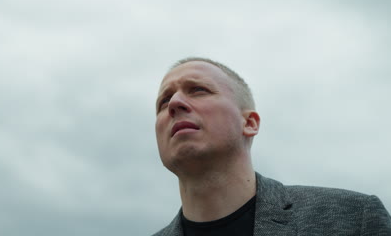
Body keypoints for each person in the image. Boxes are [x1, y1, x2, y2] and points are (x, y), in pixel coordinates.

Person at [152, 57, 391, 236]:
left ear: (249, 123)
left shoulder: (355, 219)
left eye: (198, 90)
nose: (175, 103)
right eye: (164, 101)